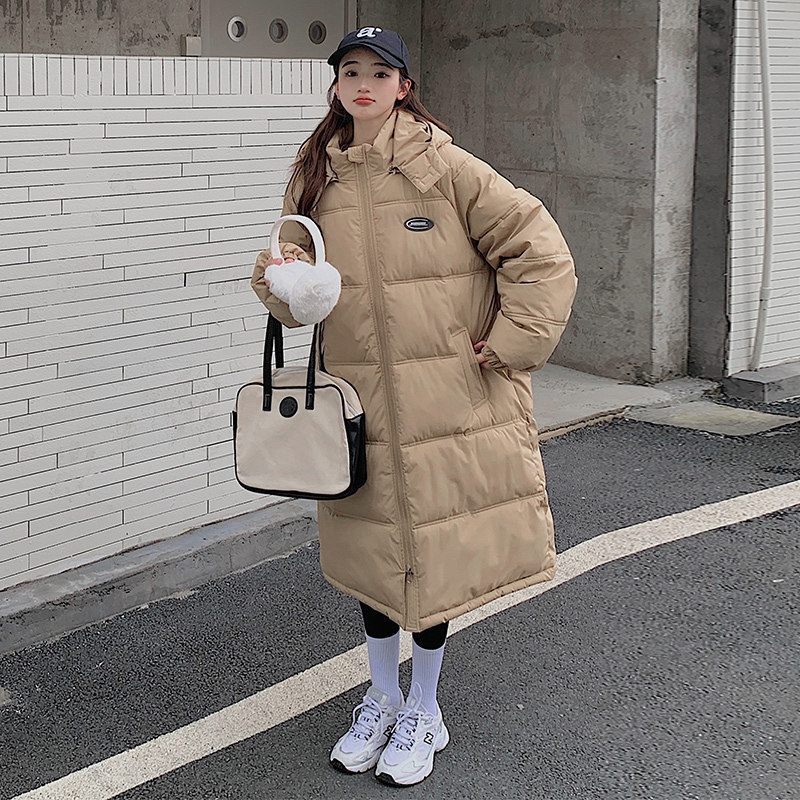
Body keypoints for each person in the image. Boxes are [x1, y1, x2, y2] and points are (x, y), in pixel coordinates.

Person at [251, 26, 578, 787]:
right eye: (350, 72)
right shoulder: (314, 177)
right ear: (336, 86)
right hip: (356, 404)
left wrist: (510, 343)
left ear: (404, 86)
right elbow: (288, 290)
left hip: (446, 403)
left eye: (379, 73)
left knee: (434, 563)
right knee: (371, 560)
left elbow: (540, 251)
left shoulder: (448, 169)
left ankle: (424, 709)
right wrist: (283, 284)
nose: (363, 84)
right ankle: (382, 697)